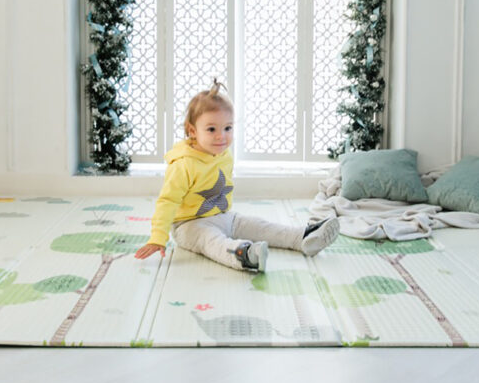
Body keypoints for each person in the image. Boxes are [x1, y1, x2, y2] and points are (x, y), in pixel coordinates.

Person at [134, 79, 340, 272]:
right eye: (211, 129)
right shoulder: (183, 164)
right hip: (189, 225)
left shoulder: (223, 154)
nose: (221, 136)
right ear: (193, 131)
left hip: (223, 216)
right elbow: (167, 201)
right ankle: (243, 254)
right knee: (211, 241)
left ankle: (301, 237)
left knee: (258, 226)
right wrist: (158, 237)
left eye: (228, 128)